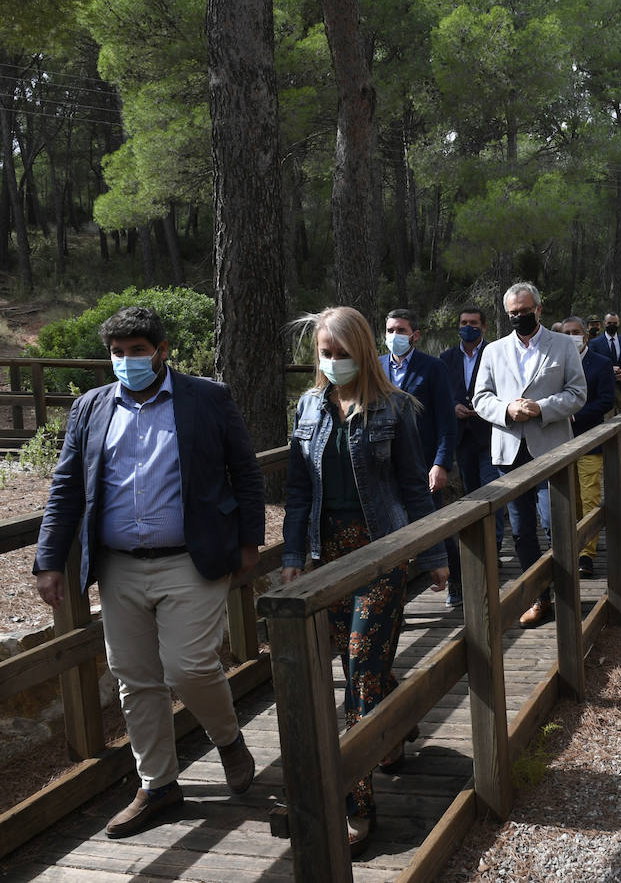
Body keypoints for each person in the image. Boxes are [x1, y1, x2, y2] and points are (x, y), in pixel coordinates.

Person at [32, 306, 261, 840]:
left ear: (161, 351)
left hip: (191, 559)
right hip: (118, 568)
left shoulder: (207, 398)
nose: (127, 360)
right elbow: (67, 485)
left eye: (138, 350)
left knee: (188, 667)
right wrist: (48, 559)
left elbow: (245, 471)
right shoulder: (90, 408)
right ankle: (158, 785)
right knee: (135, 679)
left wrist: (250, 540)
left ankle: (227, 739)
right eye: (118, 352)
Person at [280, 306, 449, 855]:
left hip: (380, 553)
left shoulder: (397, 409)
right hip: (326, 556)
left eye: (342, 353)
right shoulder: (307, 407)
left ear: (364, 351)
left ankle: (357, 805)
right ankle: (396, 727)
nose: (334, 363)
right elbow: (300, 490)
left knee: (359, 671)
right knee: (356, 663)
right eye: (325, 355)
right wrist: (293, 554)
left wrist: (433, 555)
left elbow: (414, 488)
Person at [472, 282, 586, 628]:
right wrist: (507, 409)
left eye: (525, 311)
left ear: (538, 309)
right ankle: (541, 598)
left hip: (551, 448)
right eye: (513, 313)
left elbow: (578, 393)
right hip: (510, 452)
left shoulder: (564, 345)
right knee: (521, 531)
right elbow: (481, 398)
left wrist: (542, 408)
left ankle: (568, 595)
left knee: (556, 525)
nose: (519, 317)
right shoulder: (493, 350)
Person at [381, 309, 460, 606]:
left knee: (434, 524)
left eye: (400, 330)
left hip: (424, 463)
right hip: (387, 465)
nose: (394, 336)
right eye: (389, 330)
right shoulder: (376, 367)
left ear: (415, 335)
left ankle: (456, 580)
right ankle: (394, 597)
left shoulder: (433, 368)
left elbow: (446, 421)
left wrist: (441, 463)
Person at [439, 306, 507, 590]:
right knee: (472, 492)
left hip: (490, 433)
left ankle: (493, 549)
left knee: (493, 491)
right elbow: (442, 393)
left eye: (474, 323)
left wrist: (486, 407)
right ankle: (479, 546)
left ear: (484, 327)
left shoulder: (496, 353)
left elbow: (504, 388)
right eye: (464, 322)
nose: (469, 327)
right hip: (462, 437)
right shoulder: (446, 358)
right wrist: (453, 406)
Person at [560, 316, 614, 577]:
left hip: (590, 439)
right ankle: (573, 543)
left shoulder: (601, 364)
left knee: (589, 496)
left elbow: (605, 400)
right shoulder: (555, 363)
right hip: (560, 443)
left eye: (576, 332)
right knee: (570, 499)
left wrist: (575, 415)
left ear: (586, 336)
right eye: (567, 332)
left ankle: (587, 554)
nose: (571, 335)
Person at [589, 311, 621, 463]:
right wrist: (608, 370)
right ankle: (608, 452)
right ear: (605, 324)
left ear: (619, 324)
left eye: (615, 323)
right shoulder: (595, 343)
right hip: (605, 387)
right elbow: (592, 364)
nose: (612, 325)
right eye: (609, 323)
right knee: (607, 420)